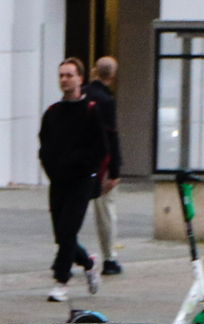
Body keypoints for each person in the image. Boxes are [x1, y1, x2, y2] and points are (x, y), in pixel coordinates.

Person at [38, 58, 107, 303]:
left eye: (69, 75)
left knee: (68, 230)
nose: (64, 80)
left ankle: (61, 281)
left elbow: (100, 147)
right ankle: (88, 263)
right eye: (61, 76)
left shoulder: (90, 109)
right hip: (59, 182)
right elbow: (44, 144)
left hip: (81, 182)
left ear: (80, 79)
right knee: (61, 234)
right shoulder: (53, 112)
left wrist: (83, 166)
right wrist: (51, 167)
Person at [83, 56, 124, 277]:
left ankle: (69, 254)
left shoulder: (83, 94)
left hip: (81, 162)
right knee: (105, 212)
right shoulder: (106, 101)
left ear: (93, 71)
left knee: (74, 211)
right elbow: (112, 137)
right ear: (112, 75)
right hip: (102, 165)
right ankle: (109, 259)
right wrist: (115, 171)